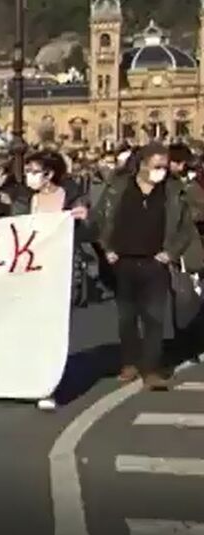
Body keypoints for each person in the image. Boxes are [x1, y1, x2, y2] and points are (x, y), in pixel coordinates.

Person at [89, 143, 200, 391]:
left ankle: (150, 368)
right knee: (126, 317)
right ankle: (130, 362)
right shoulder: (118, 188)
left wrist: (171, 253)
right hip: (123, 260)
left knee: (154, 318)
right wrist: (106, 249)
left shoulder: (173, 191)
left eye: (164, 166)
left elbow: (185, 228)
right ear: (142, 165)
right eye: (157, 166)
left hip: (155, 261)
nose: (162, 171)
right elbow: (100, 220)